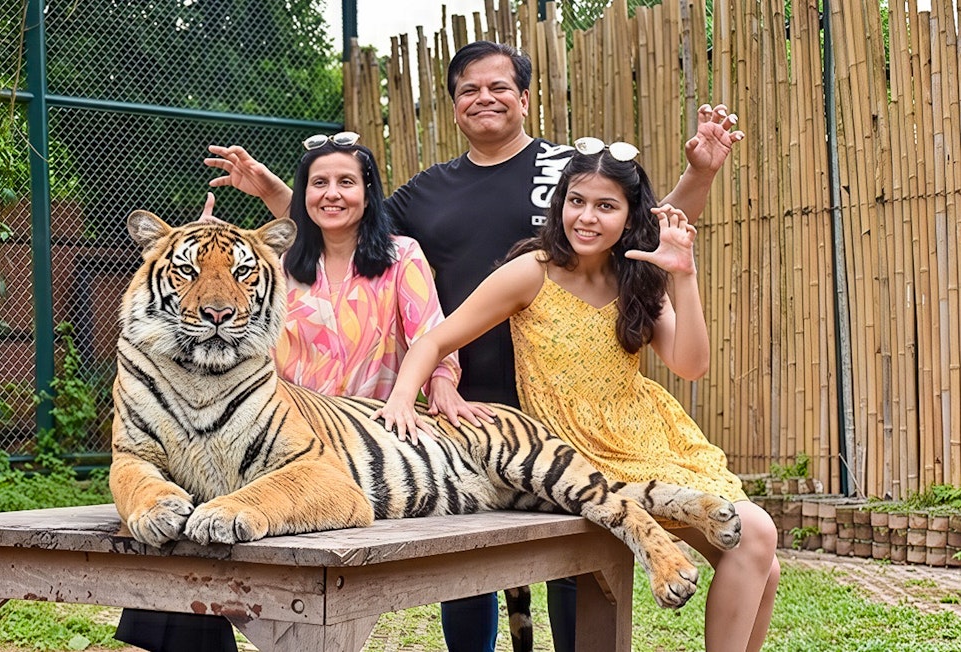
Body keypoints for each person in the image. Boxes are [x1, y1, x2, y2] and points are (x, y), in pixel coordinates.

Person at [204, 39, 743, 652]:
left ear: (526, 98)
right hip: (467, 401)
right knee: (468, 567)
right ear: (454, 105)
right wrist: (280, 193)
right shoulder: (428, 190)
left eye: (498, 86)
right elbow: (349, 223)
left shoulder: (565, 172)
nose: (483, 98)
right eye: (468, 90)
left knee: (575, 553)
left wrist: (698, 173)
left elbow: (643, 228)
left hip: (559, 398)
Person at [372, 140, 780, 652]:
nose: (586, 218)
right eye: (576, 201)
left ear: (630, 216)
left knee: (764, 557)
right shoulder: (533, 271)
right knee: (758, 535)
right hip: (574, 452)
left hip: (649, 435)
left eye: (606, 206)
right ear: (560, 202)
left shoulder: (635, 276)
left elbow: (691, 365)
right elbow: (435, 338)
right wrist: (404, 398)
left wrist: (684, 277)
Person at [116, 134, 482, 652]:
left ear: (369, 191)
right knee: (188, 518)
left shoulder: (402, 256)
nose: (332, 194)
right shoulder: (277, 264)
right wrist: (194, 250)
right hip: (274, 434)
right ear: (303, 192)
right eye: (319, 183)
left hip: (368, 437)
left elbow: (433, 336)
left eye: (347, 183)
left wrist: (438, 385)